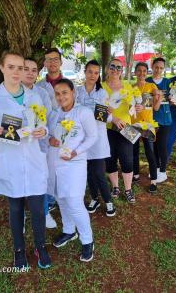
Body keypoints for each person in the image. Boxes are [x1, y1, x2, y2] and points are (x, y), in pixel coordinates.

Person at [0, 51, 51, 270]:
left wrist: (43, 131)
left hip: (33, 159)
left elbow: (43, 123)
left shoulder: (34, 97)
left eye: (20, 68)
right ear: (2, 68)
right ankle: (19, 250)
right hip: (9, 160)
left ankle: (40, 246)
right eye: (11, 67)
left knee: (38, 209)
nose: (16, 72)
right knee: (16, 208)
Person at [48, 78, 97, 262]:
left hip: (75, 164)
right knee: (61, 198)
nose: (61, 97)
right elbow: (50, 135)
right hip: (56, 163)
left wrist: (76, 152)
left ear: (73, 93)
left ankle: (87, 240)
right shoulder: (54, 114)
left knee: (75, 203)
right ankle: (69, 231)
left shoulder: (83, 113)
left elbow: (93, 137)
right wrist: (50, 140)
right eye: (58, 94)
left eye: (65, 93)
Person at [75, 60, 116, 217]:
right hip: (82, 139)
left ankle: (108, 200)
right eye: (90, 71)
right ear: (85, 72)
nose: (93, 75)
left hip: (98, 139)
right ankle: (94, 198)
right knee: (88, 172)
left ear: (99, 75)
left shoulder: (102, 93)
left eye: (96, 72)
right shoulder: (77, 91)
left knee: (99, 172)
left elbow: (108, 118)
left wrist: (109, 113)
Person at [22, 57, 57, 229]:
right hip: (18, 147)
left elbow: (48, 118)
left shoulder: (42, 93)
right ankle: (19, 215)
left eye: (34, 70)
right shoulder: (11, 93)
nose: (30, 73)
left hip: (39, 145)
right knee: (19, 180)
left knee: (41, 179)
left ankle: (44, 212)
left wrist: (45, 132)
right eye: (26, 69)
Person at [102, 58, 137, 203]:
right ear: (107, 68)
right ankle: (115, 186)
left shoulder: (128, 86)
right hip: (107, 128)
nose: (115, 70)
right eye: (112, 66)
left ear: (122, 71)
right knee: (110, 159)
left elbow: (134, 106)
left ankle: (128, 189)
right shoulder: (101, 87)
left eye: (119, 67)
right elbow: (99, 111)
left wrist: (136, 108)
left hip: (127, 128)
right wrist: (113, 118)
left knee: (128, 159)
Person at [36, 48, 62, 212]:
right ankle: (50, 199)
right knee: (47, 169)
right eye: (48, 59)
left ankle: (61, 197)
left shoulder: (70, 84)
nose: (52, 62)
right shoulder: (38, 87)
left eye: (55, 59)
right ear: (44, 63)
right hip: (45, 135)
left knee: (62, 167)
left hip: (64, 133)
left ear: (61, 62)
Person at [132, 62, 160, 194]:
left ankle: (154, 180)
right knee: (134, 151)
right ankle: (135, 175)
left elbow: (156, 107)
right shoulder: (131, 87)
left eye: (144, 71)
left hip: (148, 123)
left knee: (150, 151)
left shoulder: (151, 86)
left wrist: (158, 96)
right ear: (135, 72)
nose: (142, 73)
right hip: (133, 123)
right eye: (139, 70)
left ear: (147, 72)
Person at [146, 57, 171, 183]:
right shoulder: (147, 81)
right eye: (156, 67)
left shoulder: (168, 82)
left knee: (162, 146)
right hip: (150, 119)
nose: (158, 70)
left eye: (161, 68)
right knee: (153, 145)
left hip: (165, 118)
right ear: (152, 67)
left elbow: (173, 98)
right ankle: (155, 168)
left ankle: (163, 171)